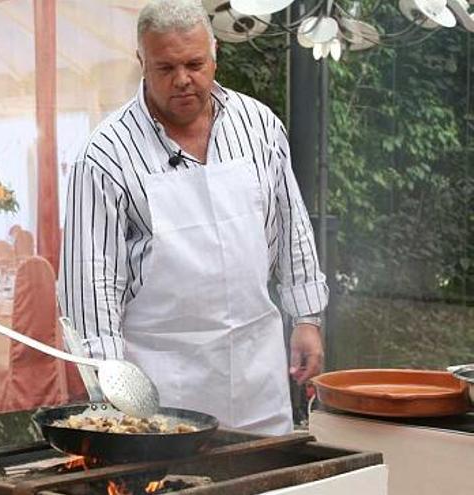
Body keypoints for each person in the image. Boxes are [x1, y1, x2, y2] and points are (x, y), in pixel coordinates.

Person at [58, 0, 327, 435]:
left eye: (195, 63)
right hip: (163, 386)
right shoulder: (106, 154)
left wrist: (308, 319)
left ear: (215, 52)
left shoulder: (259, 126)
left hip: (258, 372)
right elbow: (90, 282)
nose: (183, 80)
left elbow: (292, 225)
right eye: (165, 68)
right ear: (141, 61)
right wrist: (108, 381)